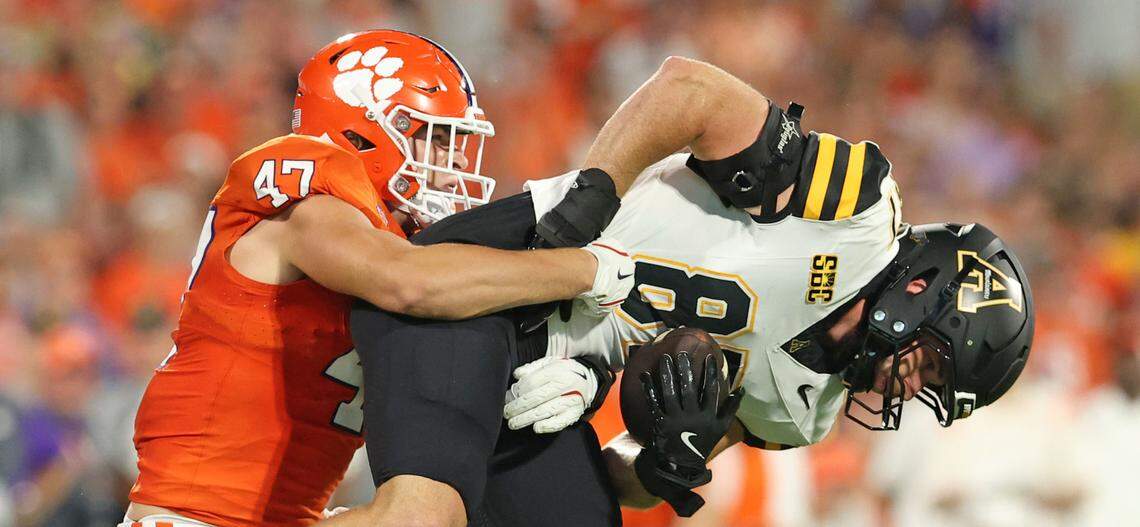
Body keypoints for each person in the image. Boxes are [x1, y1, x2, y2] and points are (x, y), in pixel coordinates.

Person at [336, 56, 1035, 526]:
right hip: (491, 285)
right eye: (934, 364)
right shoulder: (853, 210)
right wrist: (596, 191)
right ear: (925, 287)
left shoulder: (808, 411)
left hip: (545, 393)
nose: (911, 385)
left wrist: (664, 462)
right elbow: (688, 88)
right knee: (418, 517)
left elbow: (623, 479)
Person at [121, 30, 637, 527]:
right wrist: (584, 268)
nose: (455, 159)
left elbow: (462, 382)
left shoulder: (402, 249)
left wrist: (584, 379)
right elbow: (406, 282)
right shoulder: (312, 206)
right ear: (360, 130)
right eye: (434, 138)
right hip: (191, 514)